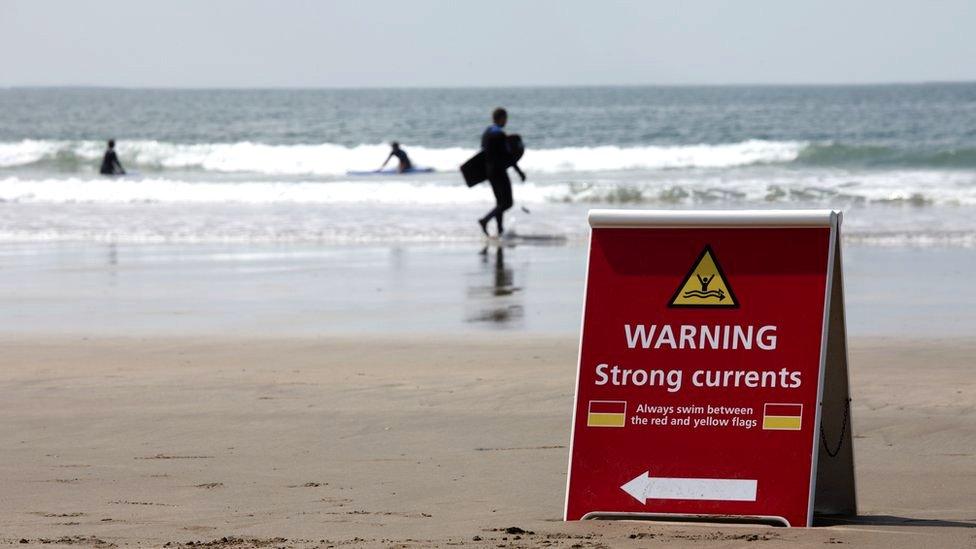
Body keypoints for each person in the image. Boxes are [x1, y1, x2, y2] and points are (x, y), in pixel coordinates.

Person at [478, 108, 526, 237]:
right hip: (499, 171)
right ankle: (485, 220)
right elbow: (509, 156)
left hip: (489, 172)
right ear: (501, 118)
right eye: (505, 118)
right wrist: (520, 172)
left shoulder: (487, 133)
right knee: (507, 203)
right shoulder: (500, 135)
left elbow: (482, 153)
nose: (506, 121)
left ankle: (500, 230)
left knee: (499, 203)